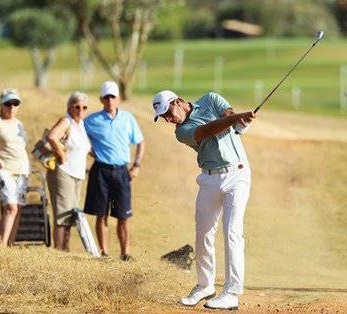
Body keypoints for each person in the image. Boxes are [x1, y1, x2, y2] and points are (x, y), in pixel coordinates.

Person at [153, 90, 255, 310]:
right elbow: (208, 130)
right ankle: (205, 285)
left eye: (167, 113)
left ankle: (232, 293)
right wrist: (234, 120)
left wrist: (239, 121)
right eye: (163, 118)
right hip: (209, 178)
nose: (168, 120)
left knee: (232, 232)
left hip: (237, 175)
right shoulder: (181, 132)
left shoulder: (211, 99)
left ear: (178, 102)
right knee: (203, 234)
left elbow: (228, 113)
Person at [84, 81, 144, 261]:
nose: (110, 100)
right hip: (100, 171)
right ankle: (104, 253)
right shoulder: (91, 120)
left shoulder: (128, 118)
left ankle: (125, 253)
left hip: (121, 172)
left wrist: (136, 165)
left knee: (123, 215)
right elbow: (79, 136)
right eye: (106, 97)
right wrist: (90, 151)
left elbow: (140, 142)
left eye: (113, 97)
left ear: (118, 99)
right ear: (101, 99)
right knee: (101, 214)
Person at [0, 89, 30, 247]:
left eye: (15, 103)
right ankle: (1, 247)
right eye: (8, 103)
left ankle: (9, 244)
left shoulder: (19, 123)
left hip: (22, 171)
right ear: (1, 104)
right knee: (11, 207)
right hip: (5, 172)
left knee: (17, 210)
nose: (12, 106)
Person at [45, 92, 92, 251]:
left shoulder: (81, 124)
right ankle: (59, 250)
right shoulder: (66, 121)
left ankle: (65, 249)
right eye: (76, 106)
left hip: (77, 175)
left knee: (71, 215)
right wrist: (61, 153)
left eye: (84, 107)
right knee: (62, 214)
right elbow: (52, 137)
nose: (80, 110)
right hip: (63, 172)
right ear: (69, 107)